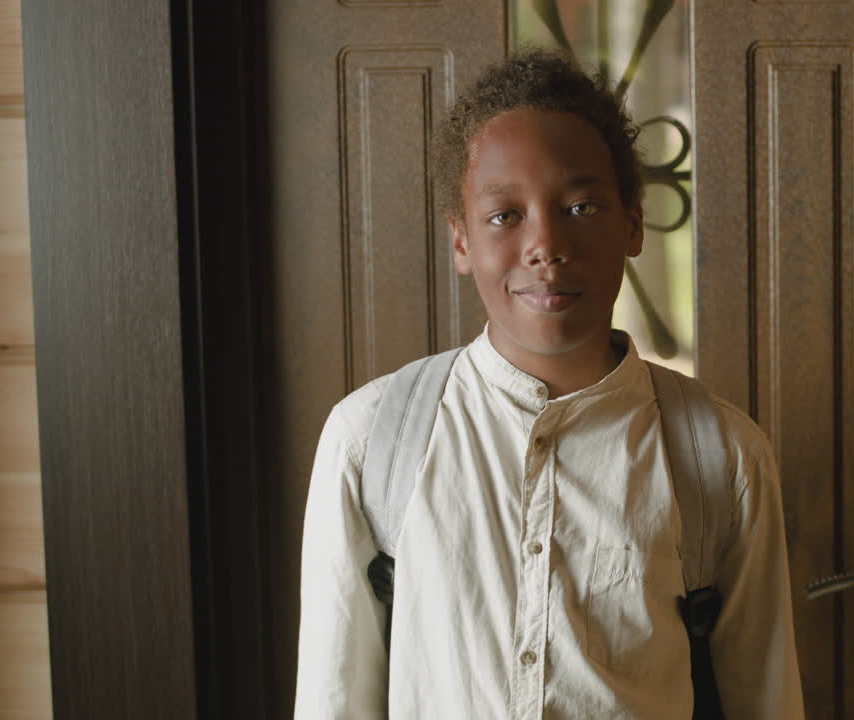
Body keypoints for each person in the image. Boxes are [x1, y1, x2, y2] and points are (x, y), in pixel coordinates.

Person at [294, 49, 805, 719]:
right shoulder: (371, 441)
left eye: (582, 205)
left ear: (632, 223)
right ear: (460, 242)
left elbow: (766, 701)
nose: (546, 245)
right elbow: (333, 699)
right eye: (505, 216)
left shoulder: (723, 457)